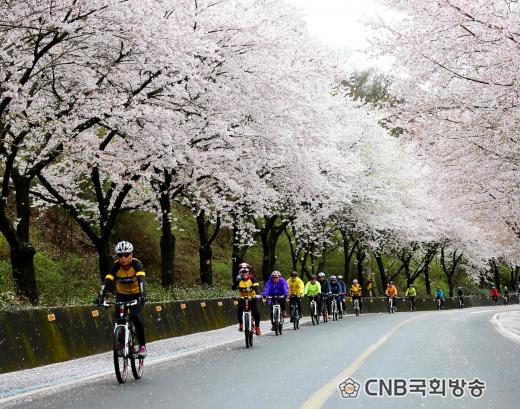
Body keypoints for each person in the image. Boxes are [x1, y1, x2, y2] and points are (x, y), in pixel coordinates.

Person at [97, 241, 147, 357]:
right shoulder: (115, 266)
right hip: (122, 295)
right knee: (118, 319)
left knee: (135, 316)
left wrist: (143, 295)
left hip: (137, 294)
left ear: (131, 254)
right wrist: (100, 297)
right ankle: (120, 342)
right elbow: (107, 281)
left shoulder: (137, 264)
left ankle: (142, 346)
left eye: (126, 255)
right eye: (120, 255)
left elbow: (141, 281)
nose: (123, 258)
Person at [235, 264, 261, 335]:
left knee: (255, 312)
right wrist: (236, 282)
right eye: (242, 271)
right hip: (242, 298)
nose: (244, 273)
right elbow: (234, 288)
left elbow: (256, 287)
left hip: (252, 297)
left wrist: (258, 294)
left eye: (246, 271)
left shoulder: (252, 278)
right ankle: (241, 324)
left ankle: (257, 327)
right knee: (239, 310)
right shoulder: (238, 279)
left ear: (248, 271)